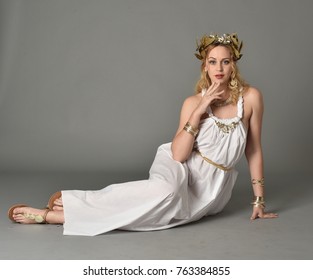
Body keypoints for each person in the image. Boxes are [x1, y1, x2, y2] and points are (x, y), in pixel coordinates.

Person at [7, 33, 278, 236]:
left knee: (160, 215)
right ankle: (55, 215)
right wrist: (201, 109)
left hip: (212, 188)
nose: (219, 68)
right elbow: (179, 154)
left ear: (234, 65)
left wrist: (259, 201)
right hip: (178, 166)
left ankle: (69, 209)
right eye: (212, 62)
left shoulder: (251, 98)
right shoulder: (191, 102)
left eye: (225, 61)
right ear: (204, 66)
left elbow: (253, 150)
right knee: (166, 190)